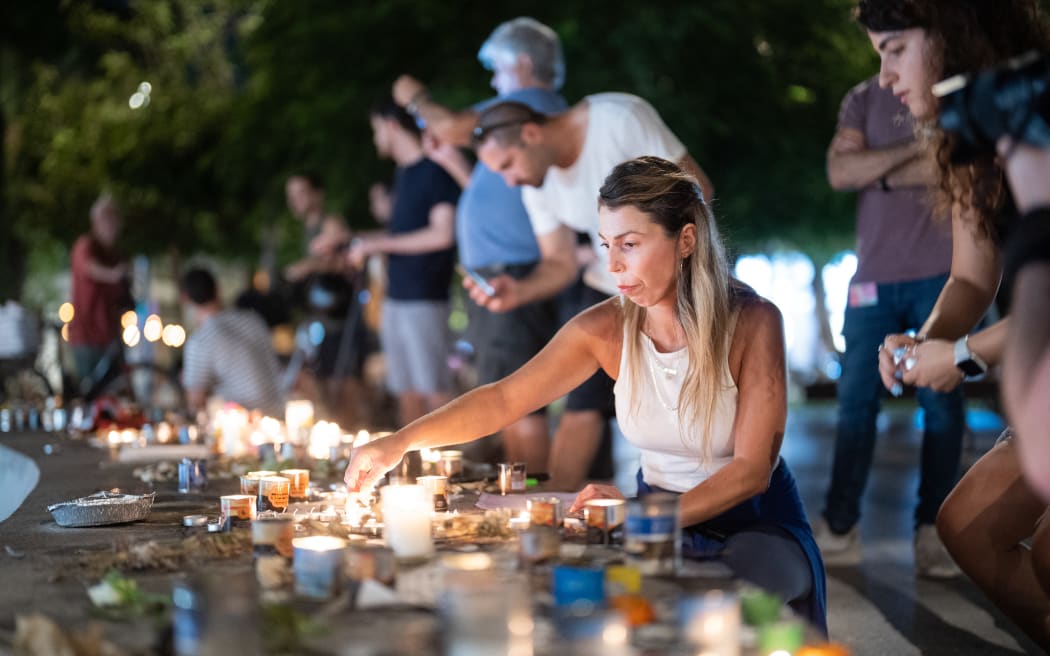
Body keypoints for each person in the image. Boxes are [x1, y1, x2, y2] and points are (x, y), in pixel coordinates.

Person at [345, 157, 826, 632]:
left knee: (705, 608)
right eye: (605, 245)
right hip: (646, 521)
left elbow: (750, 472)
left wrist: (641, 515)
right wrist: (399, 443)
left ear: (686, 239)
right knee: (566, 599)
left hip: (755, 527)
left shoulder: (754, 321)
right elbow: (504, 400)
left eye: (630, 245)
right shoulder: (606, 327)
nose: (612, 265)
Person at [857, 0, 1050, 648]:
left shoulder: (1037, 107)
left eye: (893, 50)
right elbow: (972, 276)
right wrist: (930, 341)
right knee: (966, 526)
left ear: (954, 35)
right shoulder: (969, 130)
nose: (884, 77)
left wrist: (965, 355)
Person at [470, 92, 714, 490]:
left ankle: (668, 506)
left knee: (663, 413)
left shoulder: (617, 119)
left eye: (508, 165)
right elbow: (560, 262)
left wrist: (669, 282)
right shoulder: (537, 185)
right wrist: (519, 290)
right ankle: (557, 511)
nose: (509, 181)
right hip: (610, 285)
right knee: (576, 401)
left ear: (531, 133)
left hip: (674, 283)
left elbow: (697, 191)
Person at [390, 17, 568, 472]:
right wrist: (453, 162)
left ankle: (531, 499)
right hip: (506, 270)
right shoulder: (524, 116)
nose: (493, 82)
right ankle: (527, 495)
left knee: (515, 398)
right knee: (507, 393)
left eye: (497, 69)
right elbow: (496, 190)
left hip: (513, 272)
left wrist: (415, 98)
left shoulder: (525, 105)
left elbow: (448, 124)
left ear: (524, 64)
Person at [815, 74, 963, 578]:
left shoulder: (956, 90)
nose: (887, 63)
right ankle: (839, 527)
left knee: (941, 404)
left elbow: (955, 165)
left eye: (895, 48)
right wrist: (915, 151)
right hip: (872, 276)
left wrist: (875, 169)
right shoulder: (861, 96)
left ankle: (934, 533)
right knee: (854, 400)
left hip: (944, 272)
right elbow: (839, 171)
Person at [349, 98, 460, 427]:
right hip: (396, 298)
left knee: (434, 390)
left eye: (375, 130)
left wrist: (378, 243)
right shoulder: (404, 175)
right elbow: (405, 233)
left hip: (424, 297)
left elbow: (443, 234)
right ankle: (411, 466)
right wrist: (359, 241)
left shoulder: (434, 171)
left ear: (391, 124)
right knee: (406, 389)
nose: (374, 139)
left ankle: (449, 468)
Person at [180, 268, 284, 417]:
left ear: (184, 298)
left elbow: (196, 403)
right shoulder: (252, 319)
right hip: (279, 412)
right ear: (217, 290)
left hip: (244, 422)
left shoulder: (200, 341)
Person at [68, 194, 130, 386]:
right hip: (86, 335)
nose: (111, 225)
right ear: (95, 221)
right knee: (90, 391)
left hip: (111, 335)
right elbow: (89, 267)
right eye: (106, 219)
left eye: (114, 219)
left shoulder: (115, 253)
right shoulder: (85, 245)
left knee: (114, 391)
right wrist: (114, 274)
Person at [284, 174, 352, 283]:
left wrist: (309, 266)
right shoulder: (308, 227)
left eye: (300, 193)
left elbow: (347, 263)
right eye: (290, 195)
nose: (293, 201)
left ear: (318, 194)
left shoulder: (330, 224)